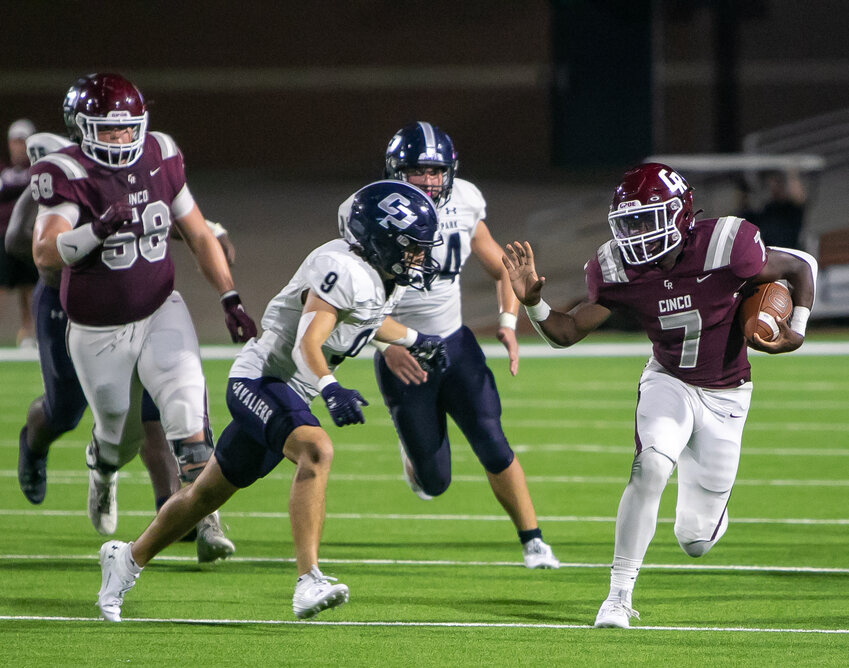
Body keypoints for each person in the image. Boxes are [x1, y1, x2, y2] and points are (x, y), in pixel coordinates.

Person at [95, 179, 448, 622]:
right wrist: (331, 388)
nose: (421, 257)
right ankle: (308, 580)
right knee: (316, 450)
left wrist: (417, 339)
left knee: (204, 496)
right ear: (380, 241)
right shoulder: (341, 270)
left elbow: (369, 320)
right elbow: (307, 344)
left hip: (287, 391)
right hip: (260, 380)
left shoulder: (378, 276)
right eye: (412, 247)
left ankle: (126, 558)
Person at [503, 162, 817, 627]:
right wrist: (533, 302)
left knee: (695, 540)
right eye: (630, 222)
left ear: (682, 214)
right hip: (668, 380)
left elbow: (800, 265)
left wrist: (798, 327)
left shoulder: (725, 244)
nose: (638, 233)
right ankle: (618, 596)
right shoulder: (617, 268)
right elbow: (566, 332)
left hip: (727, 395)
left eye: (648, 219)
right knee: (649, 467)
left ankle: (707, 503)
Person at [29, 74, 256, 559]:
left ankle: (204, 518)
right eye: (108, 131)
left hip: (159, 309)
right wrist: (95, 231)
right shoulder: (65, 170)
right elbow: (45, 252)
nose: (121, 138)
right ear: (81, 128)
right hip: (97, 330)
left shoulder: (160, 153)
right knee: (121, 439)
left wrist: (230, 296)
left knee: (187, 409)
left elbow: (196, 231)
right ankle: (103, 468)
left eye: (128, 128)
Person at [339, 121, 559, 568]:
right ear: (395, 171)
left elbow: (502, 267)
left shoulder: (465, 200)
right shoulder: (368, 208)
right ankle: (414, 457)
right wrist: (386, 346)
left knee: (492, 441)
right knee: (434, 482)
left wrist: (507, 322)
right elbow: (354, 295)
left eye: (437, 170)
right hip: (403, 352)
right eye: (417, 170)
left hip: (456, 344)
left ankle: (533, 540)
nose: (429, 180)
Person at [0, 118, 39, 346]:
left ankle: (28, 332)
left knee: (29, 286)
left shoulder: (37, 170)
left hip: (27, 236)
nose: (19, 146)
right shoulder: (4, 170)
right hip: (3, 236)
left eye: (23, 142)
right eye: (15, 141)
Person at [755, 169, 807, 250]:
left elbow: (798, 195)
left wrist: (791, 171)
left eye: (777, 183)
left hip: (789, 252)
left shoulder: (792, 208)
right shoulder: (768, 208)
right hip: (770, 253)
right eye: (772, 184)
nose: (774, 187)